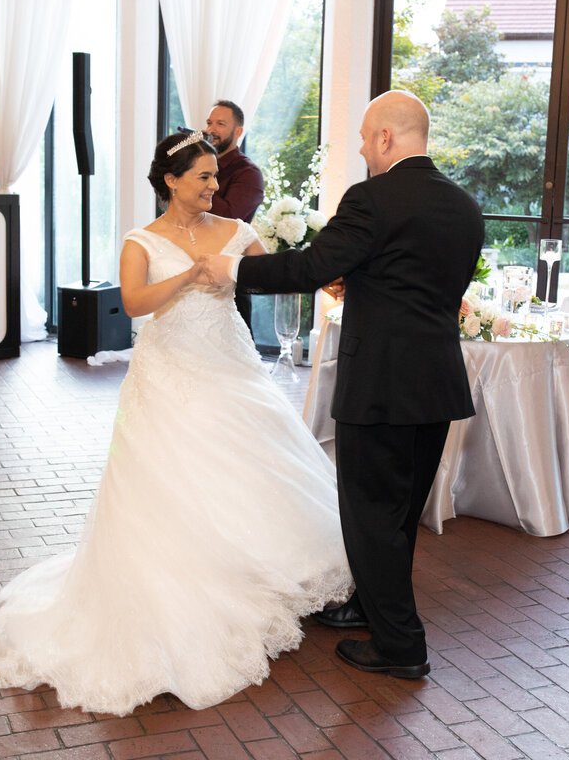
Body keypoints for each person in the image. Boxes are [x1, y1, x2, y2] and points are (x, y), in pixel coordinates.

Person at [0, 131, 352, 716]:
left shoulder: (237, 233)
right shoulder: (141, 239)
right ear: (171, 180)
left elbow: (272, 274)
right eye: (203, 177)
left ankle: (256, 566)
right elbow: (137, 302)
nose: (215, 187)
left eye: (216, 177)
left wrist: (325, 277)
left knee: (252, 467)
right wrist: (190, 277)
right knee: (172, 478)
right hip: (168, 374)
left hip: (230, 366)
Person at [202, 90, 483, 679]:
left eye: (363, 136)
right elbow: (428, 288)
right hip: (434, 383)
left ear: (385, 138)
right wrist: (366, 284)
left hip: (380, 382)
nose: (360, 147)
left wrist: (232, 267)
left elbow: (308, 268)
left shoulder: (372, 198)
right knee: (399, 513)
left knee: (369, 514)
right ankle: (369, 606)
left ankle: (400, 646)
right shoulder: (463, 206)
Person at [204, 100, 265, 330]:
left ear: (238, 132)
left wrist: (203, 177)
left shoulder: (248, 173)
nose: (211, 129)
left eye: (220, 124)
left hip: (229, 279)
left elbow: (227, 218)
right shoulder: (192, 167)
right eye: (209, 123)